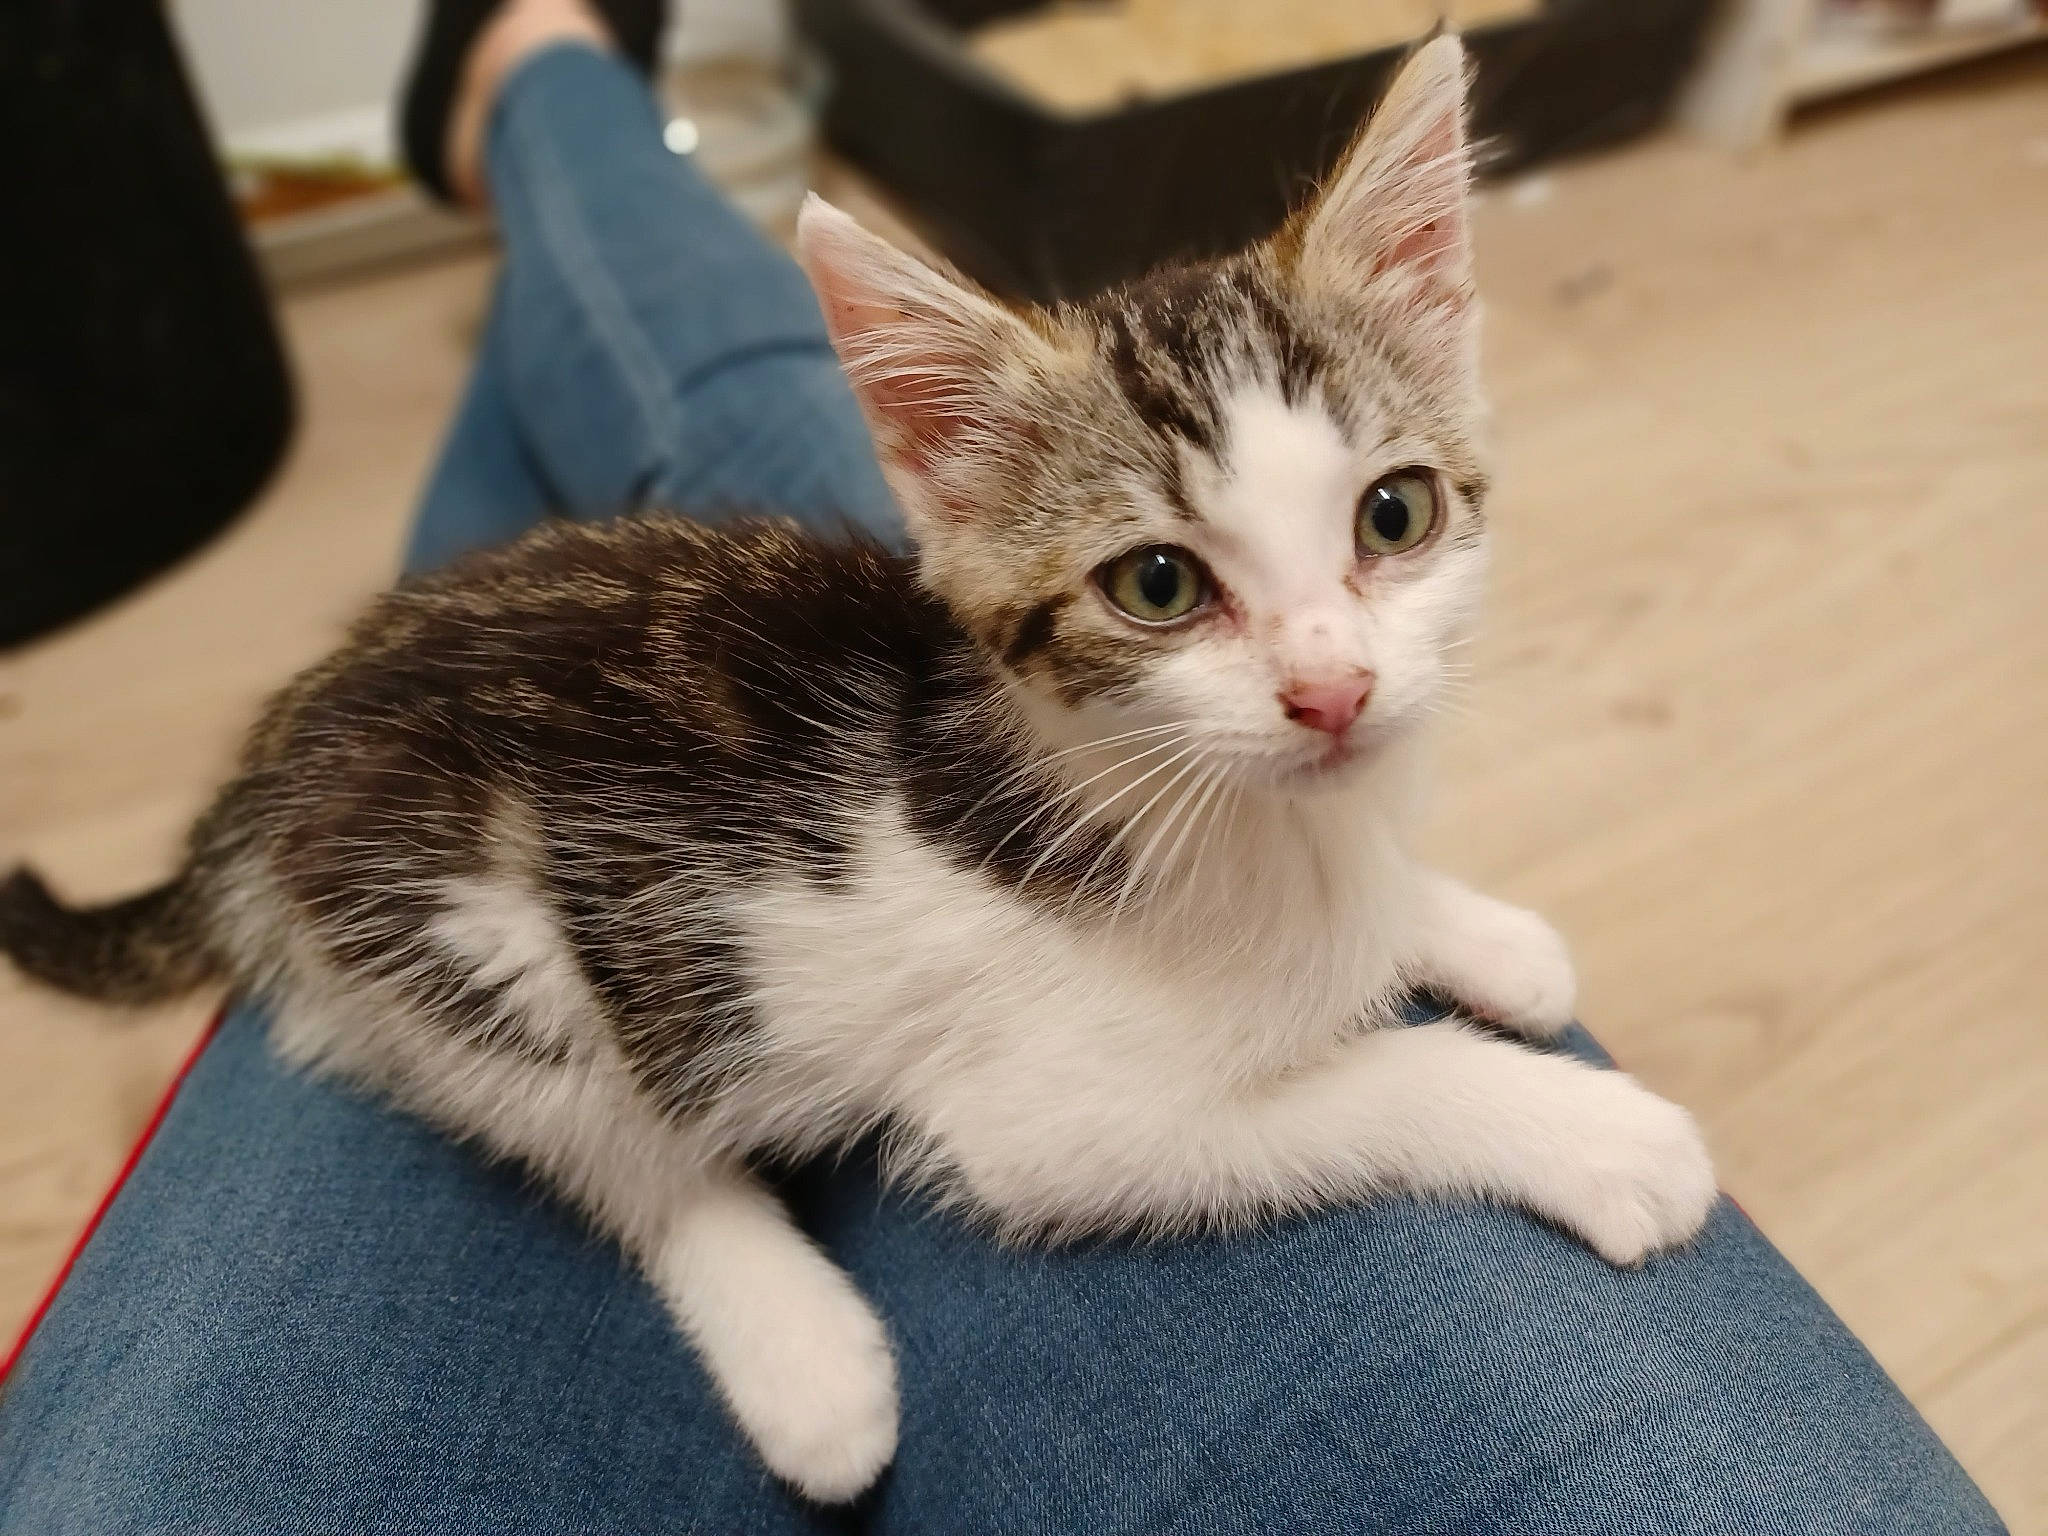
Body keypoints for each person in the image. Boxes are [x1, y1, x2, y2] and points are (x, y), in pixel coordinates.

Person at [0, 3, 2007, 1530]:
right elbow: (1060, 1149)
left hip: (646, 728)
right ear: (958, 486)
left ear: (1445, 382)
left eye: (1390, 520)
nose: (1326, 670)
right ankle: (687, 1222)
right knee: (577, 1018)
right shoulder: (1079, 818)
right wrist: (1488, 1105)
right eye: (1161, 582)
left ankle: (532, 81)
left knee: (679, 425)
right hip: (448, 878)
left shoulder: (1231, 734)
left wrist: (1407, 910)